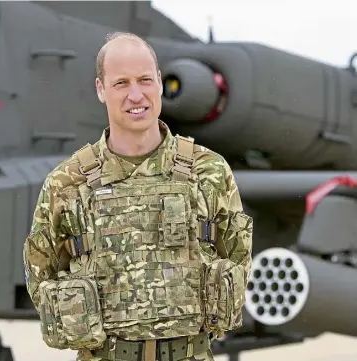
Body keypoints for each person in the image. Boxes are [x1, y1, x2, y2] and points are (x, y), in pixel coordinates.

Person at [23, 31, 253, 361]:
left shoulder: (210, 172)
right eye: (121, 83)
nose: (136, 95)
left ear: (159, 82)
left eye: (145, 80)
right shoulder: (67, 182)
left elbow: (237, 256)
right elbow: (39, 271)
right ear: (101, 89)